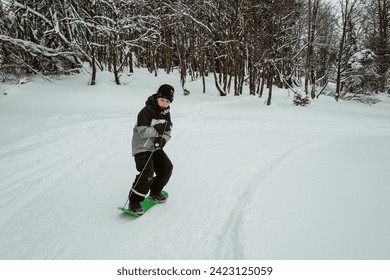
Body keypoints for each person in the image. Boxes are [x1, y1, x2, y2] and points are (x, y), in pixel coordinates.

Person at [128, 84, 174, 215]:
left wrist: (163, 140)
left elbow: (168, 132)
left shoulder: (167, 114)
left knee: (167, 168)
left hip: (155, 147)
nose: (164, 103)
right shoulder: (146, 111)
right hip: (141, 148)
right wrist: (156, 130)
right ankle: (134, 202)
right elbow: (141, 131)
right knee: (147, 174)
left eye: (167, 101)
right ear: (157, 97)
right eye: (162, 100)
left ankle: (155, 192)